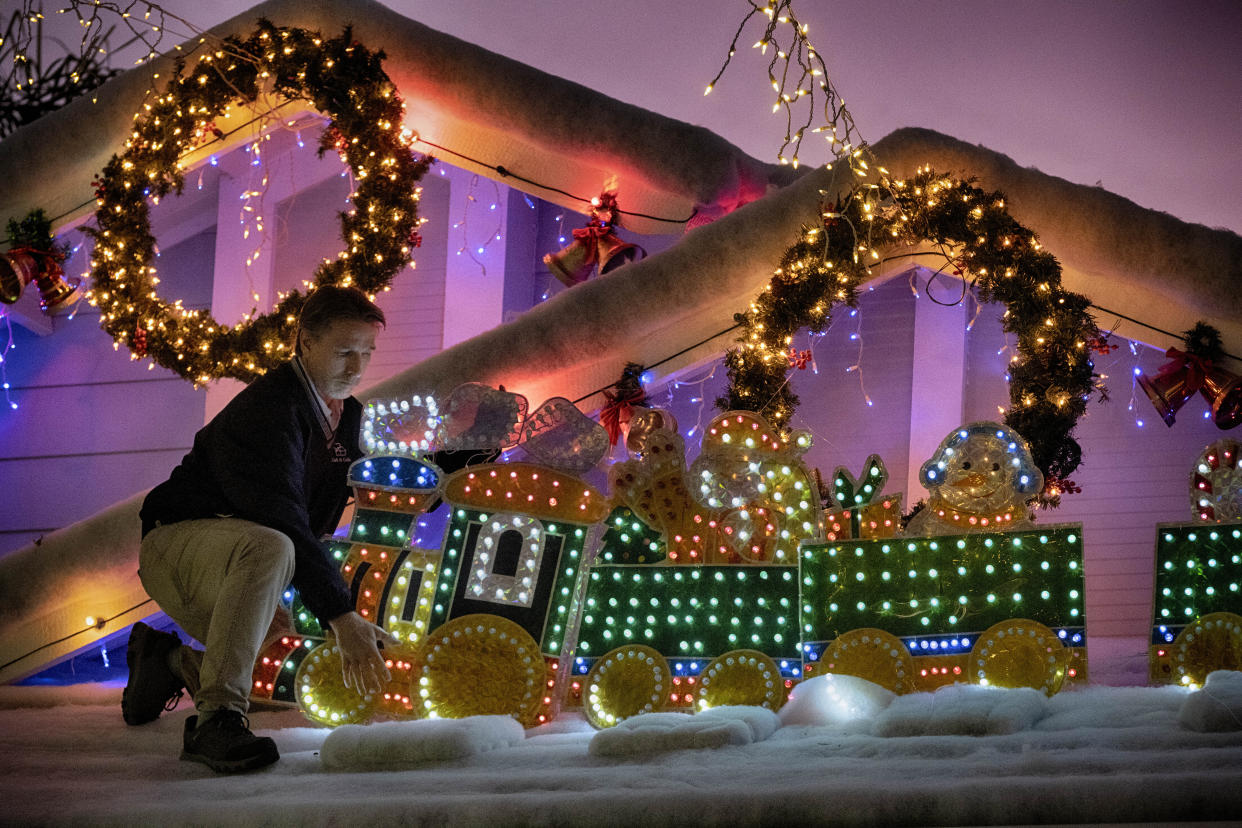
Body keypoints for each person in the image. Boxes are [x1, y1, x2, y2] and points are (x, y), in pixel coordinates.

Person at [124, 285, 394, 773]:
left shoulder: (346, 415)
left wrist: (464, 462)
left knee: (279, 669)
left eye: (367, 353)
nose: (357, 367)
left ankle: (165, 662)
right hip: (179, 545)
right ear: (304, 342)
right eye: (344, 352)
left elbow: (378, 476)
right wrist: (343, 616)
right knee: (272, 543)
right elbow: (283, 517)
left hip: (244, 554)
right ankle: (216, 722)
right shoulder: (269, 410)